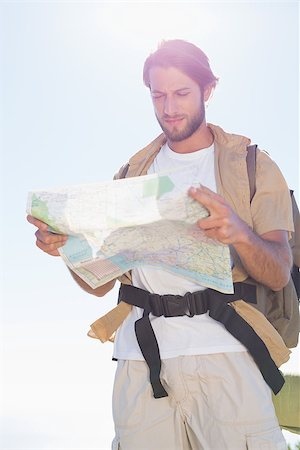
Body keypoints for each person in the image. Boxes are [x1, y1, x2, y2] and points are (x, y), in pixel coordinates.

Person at [27, 40, 294, 449]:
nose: (169, 108)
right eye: (158, 95)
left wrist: (238, 229)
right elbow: (100, 284)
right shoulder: (131, 174)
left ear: (208, 90)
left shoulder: (252, 163)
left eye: (182, 93)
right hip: (139, 361)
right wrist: (65, 249)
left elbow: (277, 270)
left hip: (224, 353)